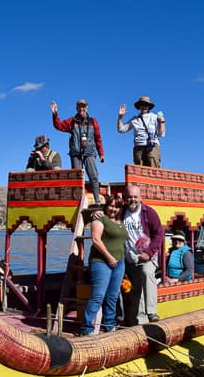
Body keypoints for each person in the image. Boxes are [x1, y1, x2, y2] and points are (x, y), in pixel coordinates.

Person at [81, 194, 127, 335]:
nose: (113, 209)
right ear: (107, 206)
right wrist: (109, 257)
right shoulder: (100, 218)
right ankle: (87, 328)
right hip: (101, 262)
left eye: (117, 207)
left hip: (120, 262)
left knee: (112, 296)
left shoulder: (121, 221)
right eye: (111, 205)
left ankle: (109, 325)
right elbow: (96, 239)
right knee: (98, 296)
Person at [122, 184, 164, 325]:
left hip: (148, 255)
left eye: (135, 197)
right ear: (125, 198)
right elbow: (107, 212)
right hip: (131, 256)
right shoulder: (122, 212)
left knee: (147, 273)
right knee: (136, 288)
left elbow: (159, 234)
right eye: (130, 197)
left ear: (140, 198)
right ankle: (141, 319)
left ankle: (152, 312)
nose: (132, 199)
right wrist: (95, 213)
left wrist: (149, 252)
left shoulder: (149, 213)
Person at [51, 99, 105, 204]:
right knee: (77, 178)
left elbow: (98, 138)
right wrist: (55, 113)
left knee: (93, 176)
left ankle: (97, 201)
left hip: (89, 153)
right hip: (76, 154)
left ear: (87, 107)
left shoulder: (93, 121)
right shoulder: (72, 121)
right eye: (79, 106)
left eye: (83, 106)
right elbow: (58, 125)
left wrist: (101, 154)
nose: (81, 108)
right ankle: (78, 202)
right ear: (76, 108)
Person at [117, 96, 166, 168]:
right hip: (138, 148)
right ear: (139, 107)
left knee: (153, 171)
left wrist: (162, 122)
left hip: (152, 147)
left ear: (149, 107)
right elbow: (121, 130)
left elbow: (161, 134)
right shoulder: (134, 119)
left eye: (146, 105)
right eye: (142, 104)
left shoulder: (155, 117)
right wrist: (120, 117)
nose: (144, 106)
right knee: (139, 173)